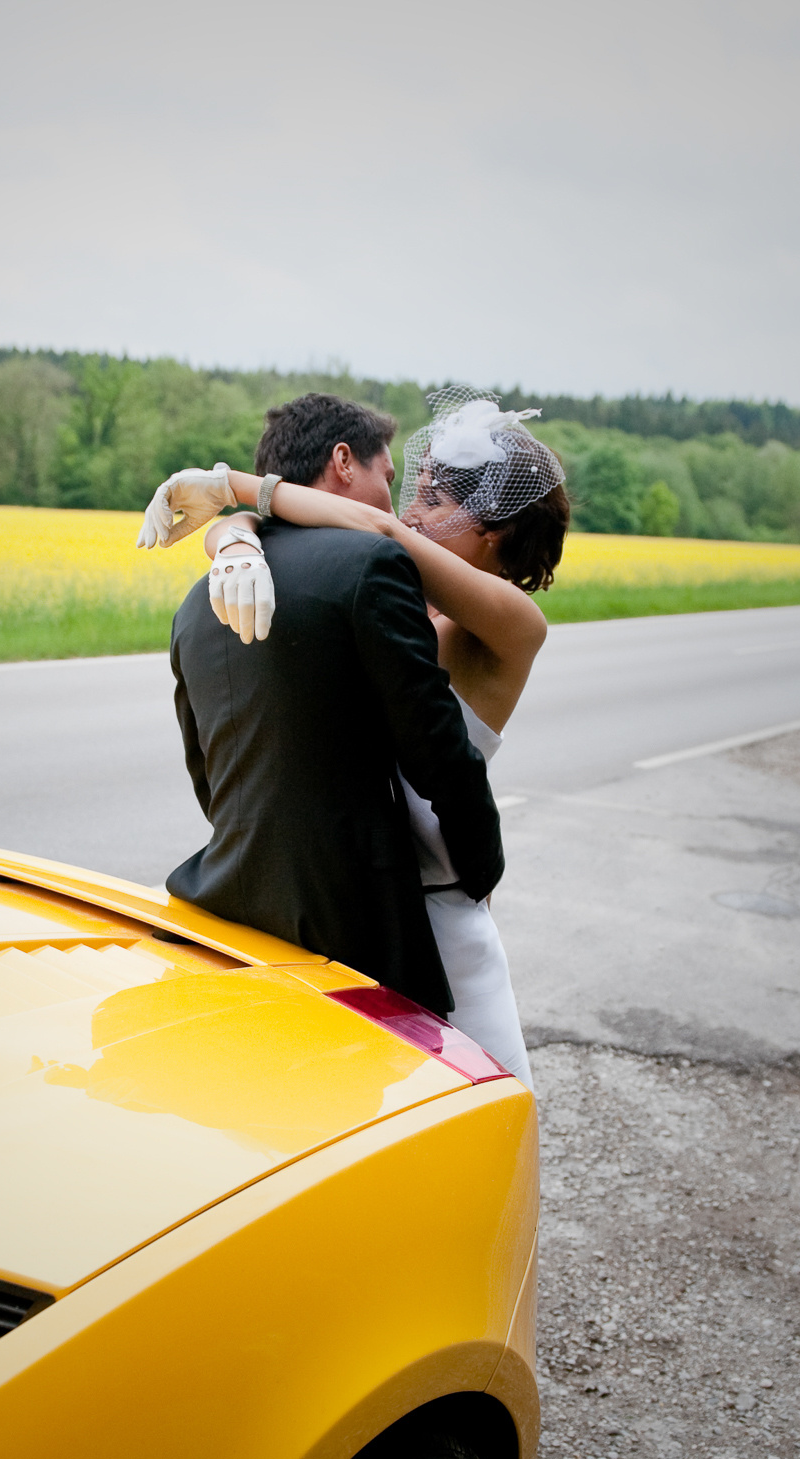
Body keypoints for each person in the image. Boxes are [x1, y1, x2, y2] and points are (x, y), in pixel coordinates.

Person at [141, 388, 569, 1083]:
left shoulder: (510, 623)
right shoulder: (391, 604)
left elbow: (378, 536)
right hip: (364, 915)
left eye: (432, 500)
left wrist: (228, 491)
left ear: (490, 529)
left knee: (472, 1124)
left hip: (445, 919)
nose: (410, 513)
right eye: (413, 494)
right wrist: (235, 534)